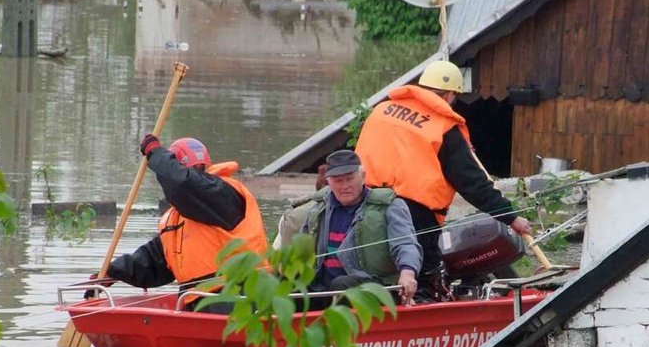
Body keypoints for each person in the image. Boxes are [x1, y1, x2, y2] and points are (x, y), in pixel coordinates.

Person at [354, 60, 532, 299]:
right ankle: (425, 323)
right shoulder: (443, 128)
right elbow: (472, 183)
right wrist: (510, 217)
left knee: (373, 268)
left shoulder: (383, 110)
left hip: (365, 204)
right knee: (423, 278)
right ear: (449, 95)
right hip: (414, 214)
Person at [90, 134, 268, 313]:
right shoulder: (176, 220)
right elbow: (154, 259)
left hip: (241, 296)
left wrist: (156, 154)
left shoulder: (223, 193)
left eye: (200, 169)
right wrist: (112, 272)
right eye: (194, 168)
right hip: (201, 302)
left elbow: (184, 184)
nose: (198, 172)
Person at [295, 150, 422, 306]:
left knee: (341, 285)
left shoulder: (391, 206)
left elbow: (405, 244)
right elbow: (300, 251)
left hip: (376, 286)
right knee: (284, 285)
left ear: (363, 176)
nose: (345, 186)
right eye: (338, 181)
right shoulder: (317, 210)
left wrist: (407, 273)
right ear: (329, 182)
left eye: (350, 179)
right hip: (323, 288)